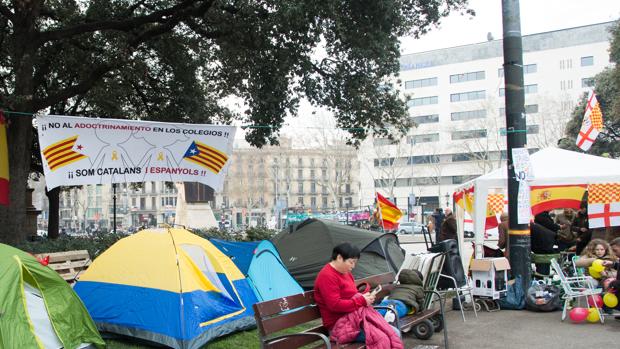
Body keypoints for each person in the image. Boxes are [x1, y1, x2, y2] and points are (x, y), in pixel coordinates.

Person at [314, 243, 402, 346]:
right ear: (339, 257)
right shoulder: (327, 276)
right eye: (351, 262)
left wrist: (366, 298)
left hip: (355, 320)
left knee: (393, 332)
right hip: (340, 326)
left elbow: (352, 295)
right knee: (384, 336)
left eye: (355, 263)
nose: (353, 266)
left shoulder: (345, 273)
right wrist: (361, 301)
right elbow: (334, 305)